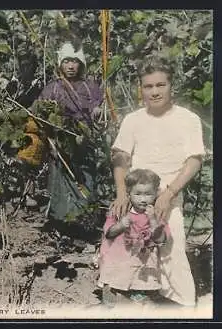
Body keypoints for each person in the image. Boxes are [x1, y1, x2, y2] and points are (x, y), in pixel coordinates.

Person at [110, 55, 205, 306]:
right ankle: (131, 298)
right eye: (148, 86)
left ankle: (185, 308)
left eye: (160, 85)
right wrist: (122, 194)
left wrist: (168, 194)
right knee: (126, 249)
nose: (154, 92)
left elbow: (194, 161)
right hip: (135, 198)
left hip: (168, 196)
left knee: (171, 252)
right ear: (140, 89)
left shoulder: (187, 119)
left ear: (171, 86)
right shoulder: (133, 120)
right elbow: (120, 157)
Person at [35, 41, 104, 228]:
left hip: (84, 141)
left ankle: (85, 222)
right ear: (60, 64)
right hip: (60, 142)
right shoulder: (53, 88)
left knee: (85, 179)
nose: (71, 66)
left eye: (74, 61)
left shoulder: (91, 86)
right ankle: (63, 224)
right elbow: (41, 115)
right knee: (62, 181)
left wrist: (98, 112)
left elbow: (100, 110)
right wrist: (51, 142)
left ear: (80, 64)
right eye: (66, 61)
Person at [98, 168, 170, 305]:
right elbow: (108, 234)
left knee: (140, 298)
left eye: (148, 194)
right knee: (114, 296)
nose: (143, 199)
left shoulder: (156, 215)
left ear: (156, 193)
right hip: (119, 262)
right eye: (137, 194)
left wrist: (154, 221)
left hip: (142, 265)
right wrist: (120, 225)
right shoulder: (120, 211)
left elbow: (161, 240)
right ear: (128, 194)